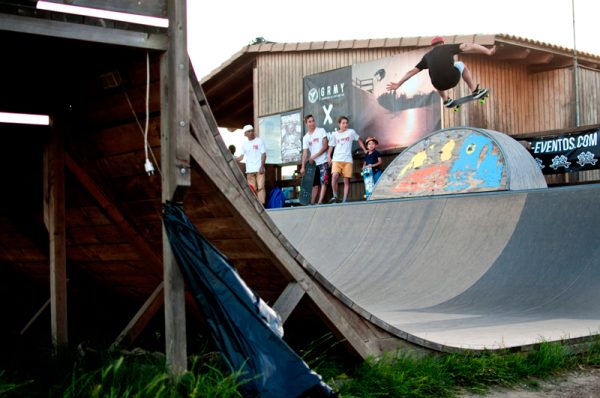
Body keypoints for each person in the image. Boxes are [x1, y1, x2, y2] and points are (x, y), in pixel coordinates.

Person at [386, 36, 496, 108]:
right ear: (442, 43)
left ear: (432, 46)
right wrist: (488, 51)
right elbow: (470, 45)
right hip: (452, 79)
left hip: (439, 85)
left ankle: (445, 99)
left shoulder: (427, 56)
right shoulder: (448, 47)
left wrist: (398, 84)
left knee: (434, 75)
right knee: (461, 64)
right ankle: (475, 90)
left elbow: (411, 72)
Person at [327, 116, 366, 203]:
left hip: (347, 160)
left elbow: (359, 140)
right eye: (343, 123)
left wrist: (364, 149)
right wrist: (329, 156)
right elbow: (331, 146)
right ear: (339, 124)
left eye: (346, 123)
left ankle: (344, 201)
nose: (345, 125)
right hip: (336, 159)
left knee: (346, 181)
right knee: (334, 176)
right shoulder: (334, 134)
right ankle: (335, 196)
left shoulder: (351, 132)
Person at [300, 114, 330, 205]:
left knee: (324, 182)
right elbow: (305, 153)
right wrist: (302, 167)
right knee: (314, 184)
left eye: (313, 121)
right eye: (310, 121)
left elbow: (325, 146)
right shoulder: (305, 137)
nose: (312, 123)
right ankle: (312, 203)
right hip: (313, 165)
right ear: (306, 123)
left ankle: (320, 202)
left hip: (323, 161)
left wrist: (314, 156)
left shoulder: (321, 131)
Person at [236, 124, 267, 204]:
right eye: (249, 131)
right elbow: (241, 157)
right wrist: (233, 159)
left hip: (259, 168)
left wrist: (262, 166)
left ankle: (262, 205)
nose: (251, 132)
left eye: (252, 130)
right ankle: (254, 205)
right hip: (249, 170)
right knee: (252, 188)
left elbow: (264, 154)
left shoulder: (259, 141)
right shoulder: (244, 144)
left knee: (261, 187)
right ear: (245, 134)